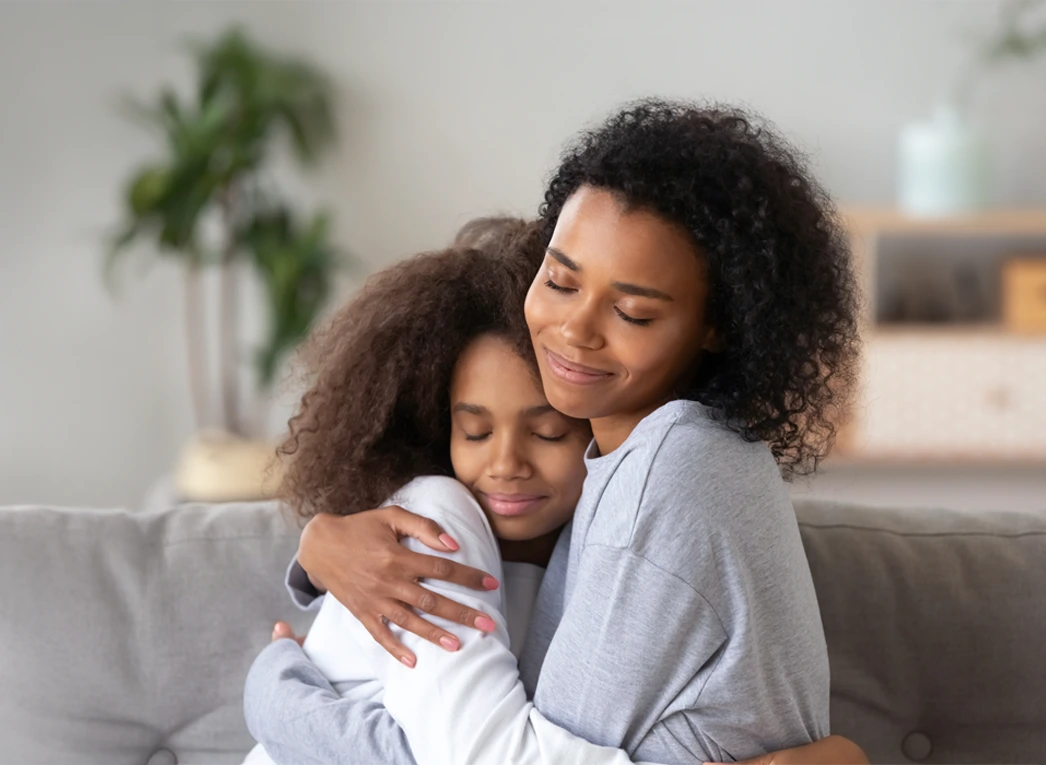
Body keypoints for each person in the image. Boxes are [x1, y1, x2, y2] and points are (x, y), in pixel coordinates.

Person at [248, 100, 863, 764]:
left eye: (631, 311)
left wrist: (279, 692)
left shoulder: (669, 475)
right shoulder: (647, 461)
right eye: (561, 280)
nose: (575, 330)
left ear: (719, 324)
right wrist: (313, 559)